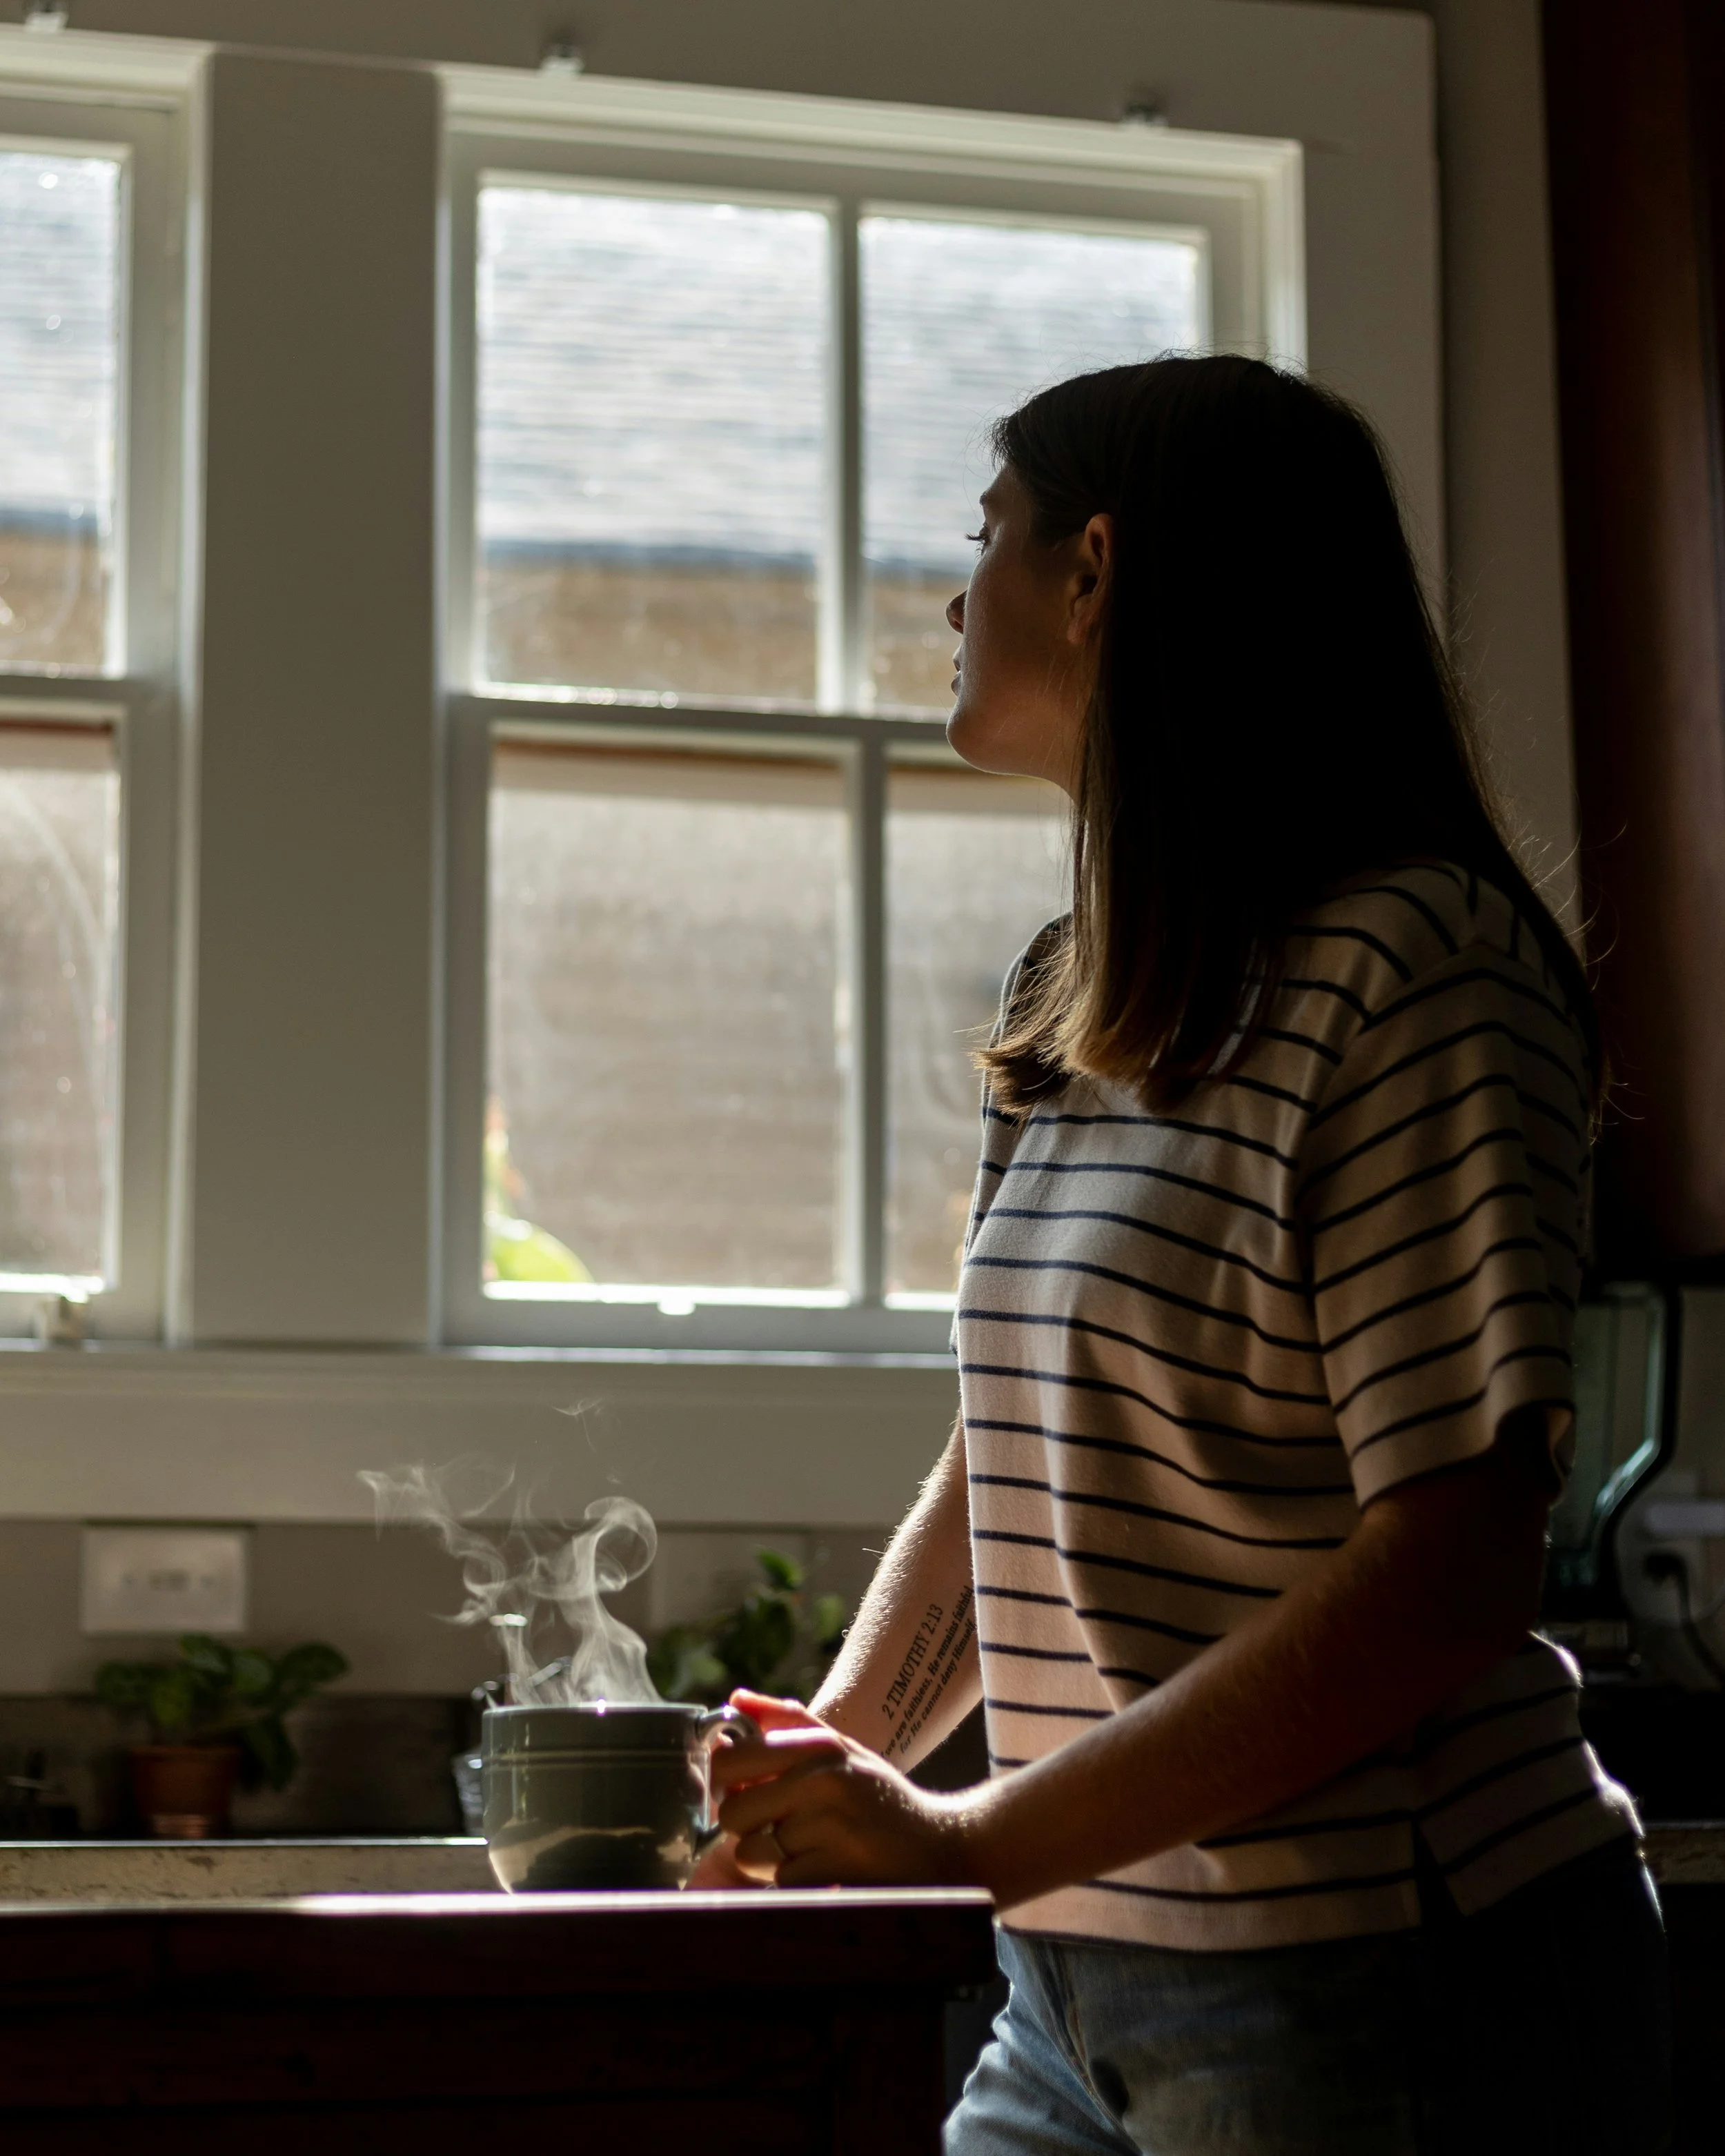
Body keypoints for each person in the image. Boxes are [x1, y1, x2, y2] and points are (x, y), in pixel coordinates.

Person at [699, 356, 1673, 2153]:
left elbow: (1449, 1569)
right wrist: (844, 1752)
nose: (949, 588)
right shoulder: (1076, 986)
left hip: (1387, 1977)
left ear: (1093, 569)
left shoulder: (1413, 970)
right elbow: (1012, 1449)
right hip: (1077, 1979)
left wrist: (971, 1838)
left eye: (982, 534)